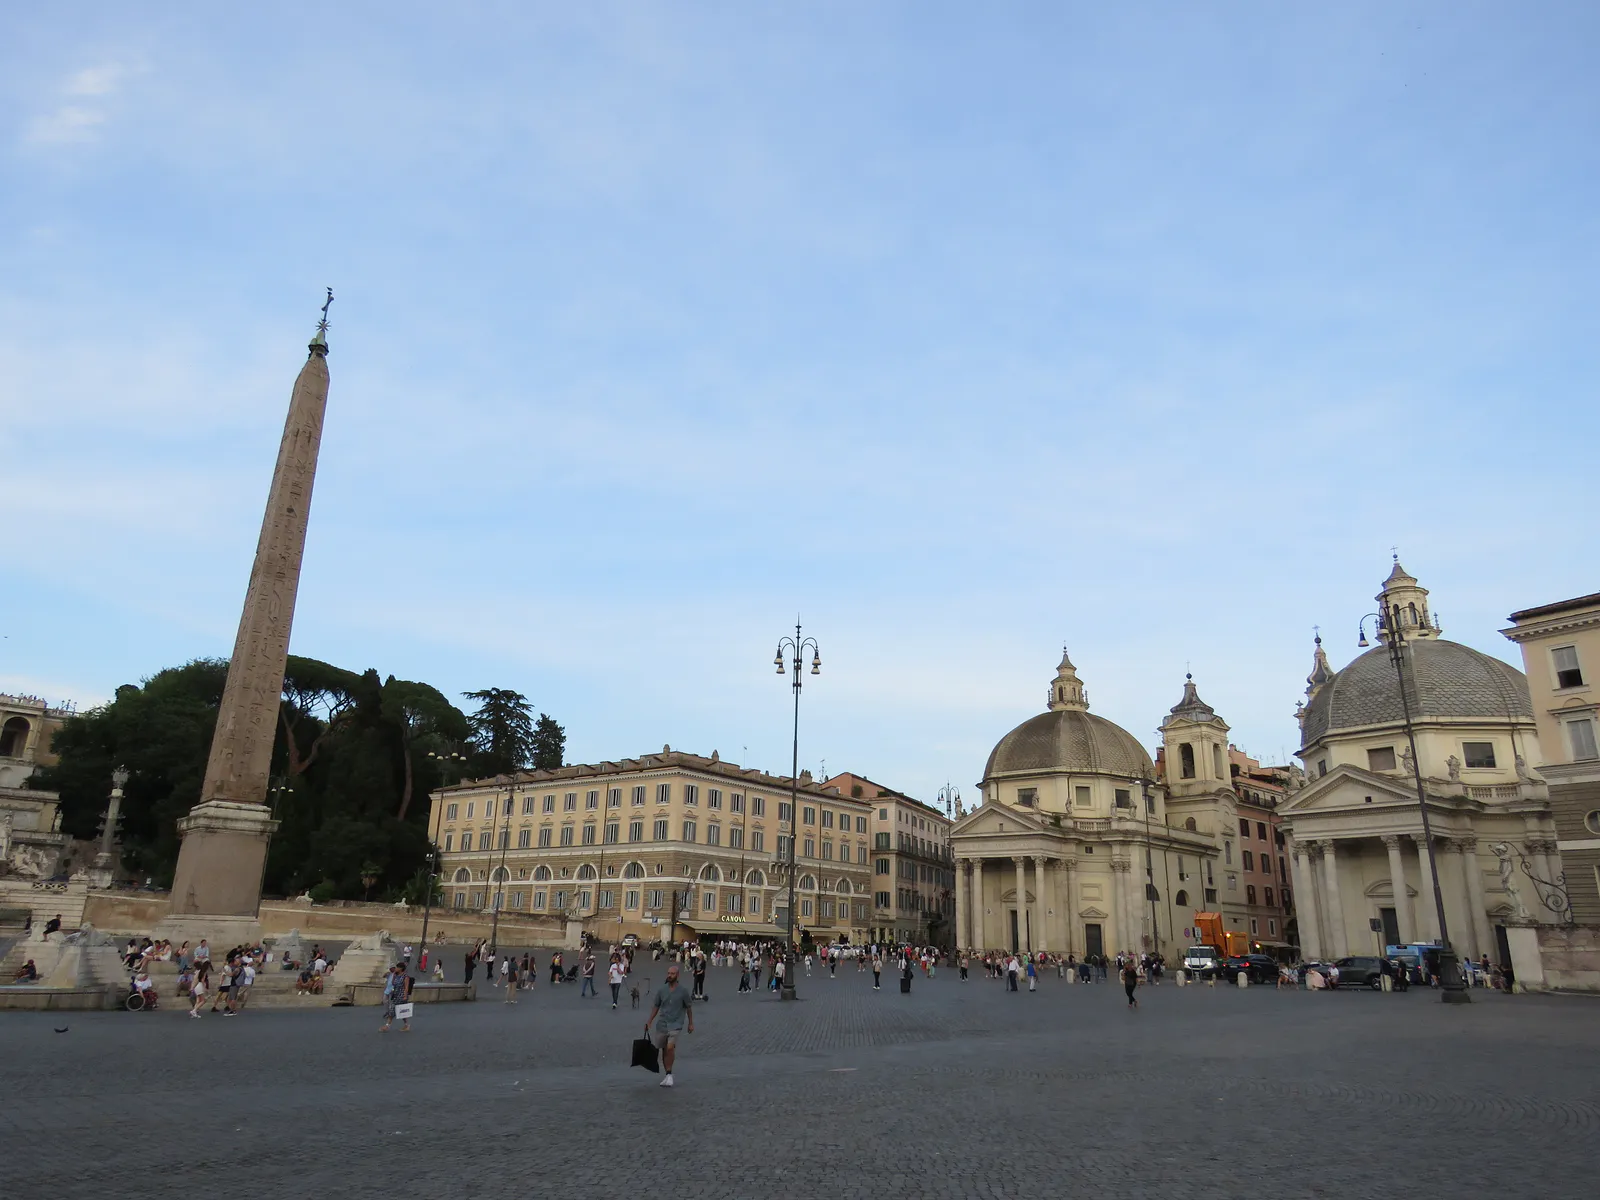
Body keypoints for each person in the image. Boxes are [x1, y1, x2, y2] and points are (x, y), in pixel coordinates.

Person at [645, 963, 695, 1088]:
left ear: (677, 975)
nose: (669, 975)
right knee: (663, 1049)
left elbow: (688, 1007)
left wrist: (691, 1023)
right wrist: (649, 1020)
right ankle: (668, 1074)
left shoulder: (683, 991)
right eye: (668, 973)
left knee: (670, 1047)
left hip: (676, 1024)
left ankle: (670, 1075)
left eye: (672, 974)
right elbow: (656, 1006)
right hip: (662, 1023)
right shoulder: (662, 990)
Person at [380, 961, 413, 1032]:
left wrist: (405, 996)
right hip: (395, 995)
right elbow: (393, 983)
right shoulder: (396, 975)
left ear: (401, 968)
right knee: (399, 1011)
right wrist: (394, 976)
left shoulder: (405, 976)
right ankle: (406, 1025)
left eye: (397, 967)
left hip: (401, 996)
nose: (396, 968)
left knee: (396, 1011)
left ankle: (387, 1026)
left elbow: (406, 987)